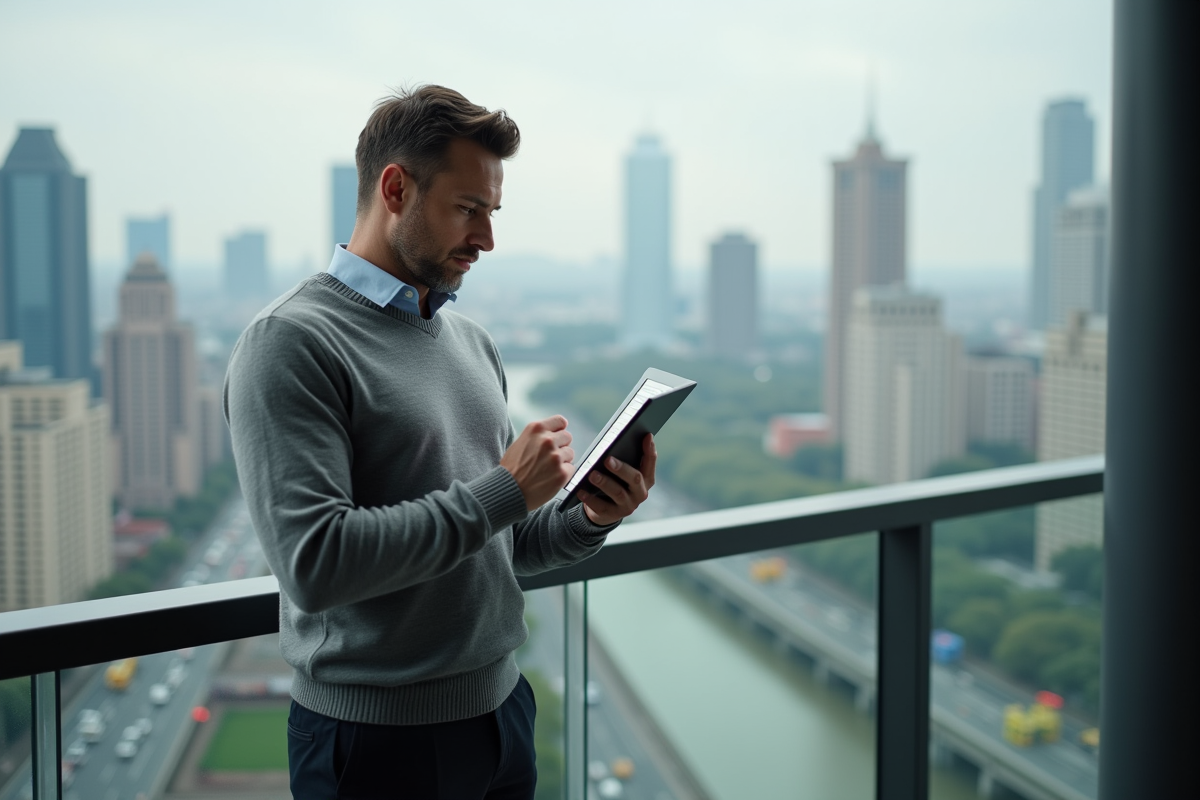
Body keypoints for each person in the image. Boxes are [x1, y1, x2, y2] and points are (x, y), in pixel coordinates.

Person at [224, 86, 655, 799]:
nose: (487, 239)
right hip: (375, 745)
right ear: (396, 188)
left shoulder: (471, 342)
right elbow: (316, 564)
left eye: (492, 213)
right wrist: (506, 491)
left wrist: (590, 517)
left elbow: (503, 548)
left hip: (502, 715)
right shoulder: (291, 342)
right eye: (468, 209)